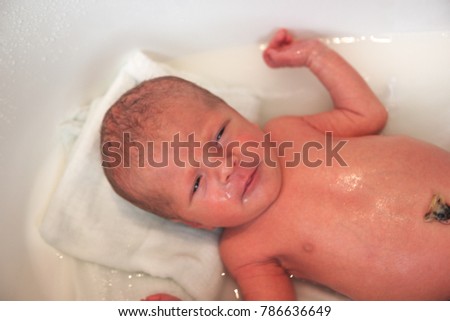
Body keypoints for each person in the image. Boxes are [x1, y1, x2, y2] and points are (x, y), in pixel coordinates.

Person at [100, 29, 450, 300]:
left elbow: (368, 114)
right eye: (196, 183)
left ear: (240, 116)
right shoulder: (247, 250)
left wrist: (316, 56)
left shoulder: (290, 133)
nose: (225, 167)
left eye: (219, 136)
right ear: (195, 223)